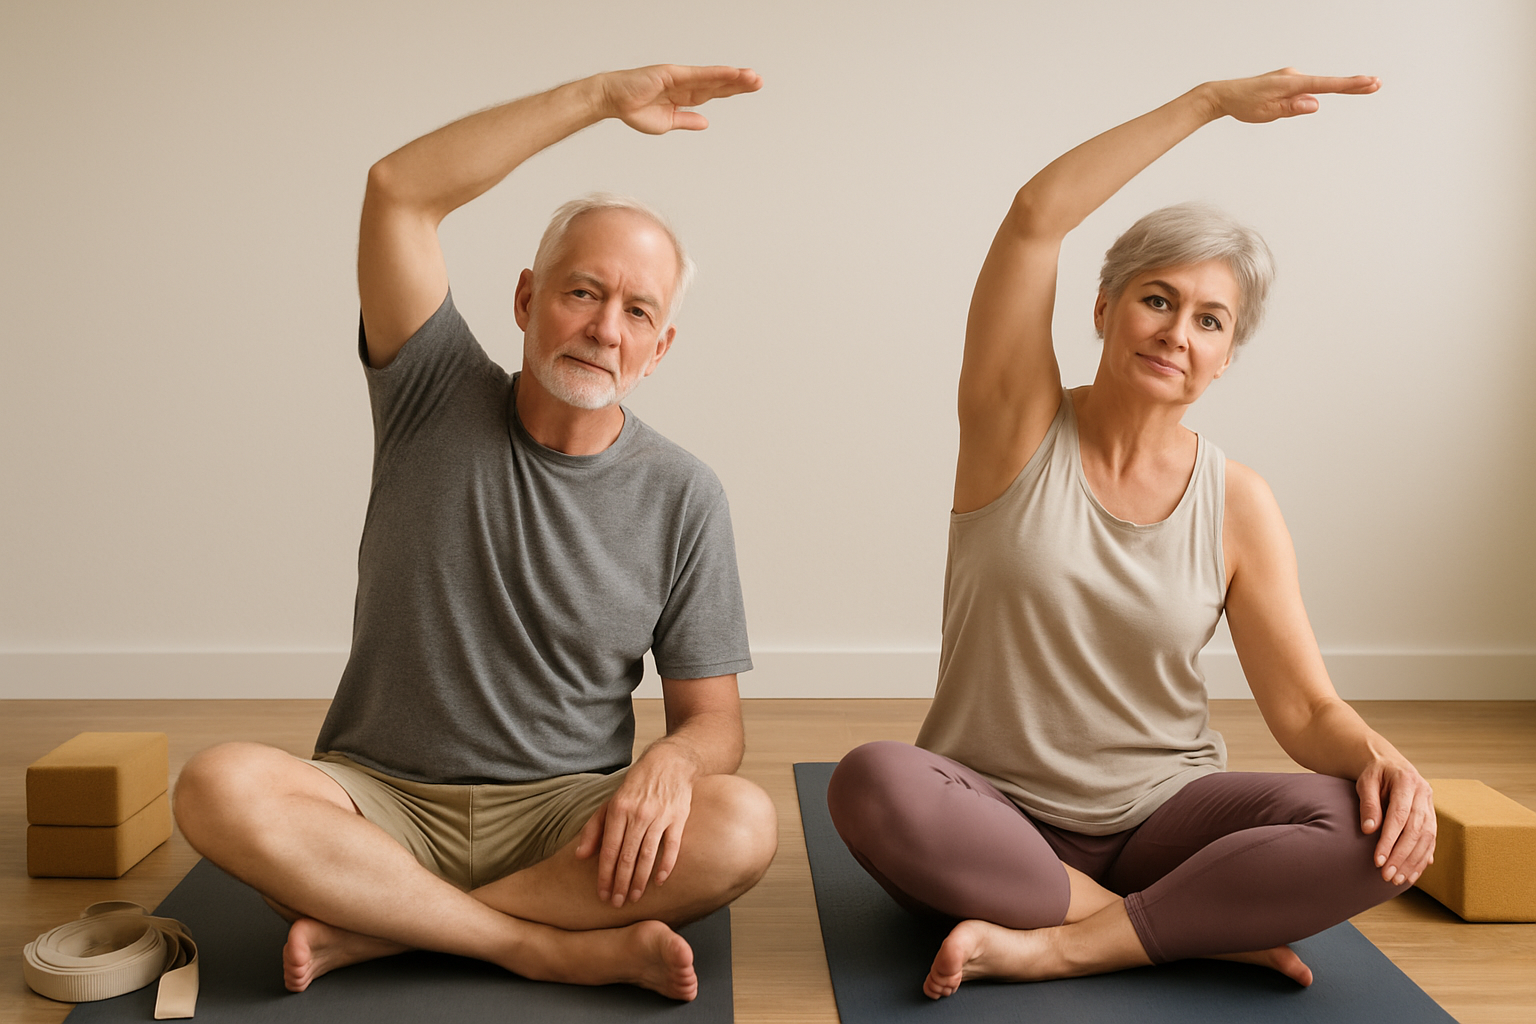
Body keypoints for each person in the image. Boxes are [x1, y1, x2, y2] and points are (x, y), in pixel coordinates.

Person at [827, 69, 1436, 999]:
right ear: (1104, 308)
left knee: (1365, 827)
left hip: (1166, 820)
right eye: (1157, 299)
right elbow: (1036, 215)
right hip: (994, 819)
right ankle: (1180, 925)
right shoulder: (1014, 427)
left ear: (1227, 356)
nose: (1175, 333)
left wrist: (1384, 764)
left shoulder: (1239, 501)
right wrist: (1205, 104)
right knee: (872, 783)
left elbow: (1306, 711)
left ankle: (1069, 941)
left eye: (1209, 321)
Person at [173, 64, 775, 1003]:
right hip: (379, 800)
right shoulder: (430, 391)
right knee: (216, 785)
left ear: (660, 350)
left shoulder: (686, 494)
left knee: (741, 825)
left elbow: (714, 726)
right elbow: (398, 192)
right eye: (583, 292)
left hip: (563, 817)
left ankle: (387, 930)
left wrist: (667, 764)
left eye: (638, 311)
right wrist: (602, 99)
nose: (604, 328)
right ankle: (529, 943)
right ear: (528, 299)